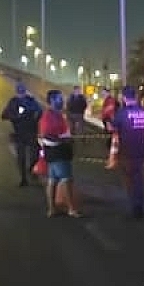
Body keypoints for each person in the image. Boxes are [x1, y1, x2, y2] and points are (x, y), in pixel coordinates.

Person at [39, 89, 82, 218]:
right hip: (57, 150)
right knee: (66, 179)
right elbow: (47, 134)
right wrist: (64, 140)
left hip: (56, 150)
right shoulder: (49, 116)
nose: (62, 100)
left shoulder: (57, 114)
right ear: (52, 100)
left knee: (53, 179)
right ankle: (71, 209)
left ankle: (52, 209)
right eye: (59, 98)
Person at [112, 86, 144, 219]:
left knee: (129, 178)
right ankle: (139, 204)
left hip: (127, 150)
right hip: (141, 149)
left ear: (123, 97)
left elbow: (114, 129)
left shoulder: (122, 113)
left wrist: (114, 154)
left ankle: (134, 205)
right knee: (138, 177)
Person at [1, 82, 43, 187]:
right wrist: (16, 116)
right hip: (19, 132)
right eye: (19, 92)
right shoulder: (13, 102)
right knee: (21, 157)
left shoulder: (31, 101)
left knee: (35, 154)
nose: (21, 94)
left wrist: (34, 118)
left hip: (31, 131)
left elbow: (40, 111)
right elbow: (4, 115)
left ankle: (31, 170)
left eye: (22, 91)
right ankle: (23, 178)